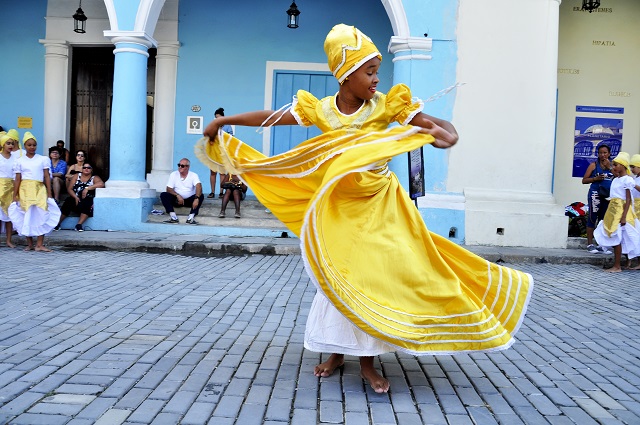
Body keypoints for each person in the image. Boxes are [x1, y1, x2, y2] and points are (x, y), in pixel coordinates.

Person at [196, 24, 533, 393]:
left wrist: (447, 133)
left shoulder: (388, 105)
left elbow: (431, 124)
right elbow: (271, 117)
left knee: (373, 276)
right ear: (346, 75)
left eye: (377, 71)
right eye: (369, 71)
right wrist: (223, 121)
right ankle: (336, 352)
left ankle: (369, 363)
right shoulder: (321, 110)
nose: (376, 79)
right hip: (338, 209)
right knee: (337, 277)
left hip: (380, 205)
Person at [8, 132, 60, 252]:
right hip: (25, 189)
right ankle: (30, 243)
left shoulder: (43, 159)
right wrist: (15, 194)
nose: (32, 147)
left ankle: (39, 244)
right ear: (25, 146)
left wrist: (49, 192)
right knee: (26, 215)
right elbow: (17, 179)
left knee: (41, 214)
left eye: (34, 145)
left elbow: (47, 176)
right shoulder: (20, 161)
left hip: (39, 189)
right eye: (29, 145)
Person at [594, 152, 640, 273]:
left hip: (621, 211)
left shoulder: (627, 180)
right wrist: (608, 165)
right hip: (613, 210)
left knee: (617, 237)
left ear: (623, 166)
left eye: (616, 165)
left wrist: (624, 216)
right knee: (615, 236)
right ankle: (619, 264)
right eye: (613, 165)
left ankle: (617, 266)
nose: (613, 167)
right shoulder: (616, 179)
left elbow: (628, 199)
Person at [582, 144, 614, 254]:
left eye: (605, 153)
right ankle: (590, 244)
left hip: (608, 196)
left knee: (603, 220)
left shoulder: (613, 165)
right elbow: (584, 180)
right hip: (595, 194)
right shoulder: (593, 165)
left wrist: (609, 167)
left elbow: (619, 177)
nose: (602, 155)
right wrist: (595, 178)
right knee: (592, 218)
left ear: (609, 154)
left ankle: (601, 244)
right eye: (600, 153)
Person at [55, 162, 104, 232]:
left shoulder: (94, 177)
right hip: (76, 198)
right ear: (82, 169)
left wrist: (87, 188)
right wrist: (75, 197)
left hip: (86, 199)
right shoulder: (77, 176)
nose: (86, 169)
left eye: (88, 168)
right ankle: (57, 224)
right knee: (68, 201)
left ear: (91, 169)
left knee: (88, 202)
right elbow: (69, 189)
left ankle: (79, 225)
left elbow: (101, 184)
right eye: (84, 167)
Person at [160, 158, 204, 224]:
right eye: (179, 165)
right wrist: (177, 195)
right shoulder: (173, 174)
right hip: (177, 200)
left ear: (188, 167)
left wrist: (196, 198)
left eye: (182, 166)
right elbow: (168, 188)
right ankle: (173, 217)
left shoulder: (193, 175)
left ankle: (191, 217)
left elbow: (199, 186)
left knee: (200, 196)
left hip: (189, 201)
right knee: (164, 195)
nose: (180, 167)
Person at [207, 107, 234, 198]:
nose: (217, 119)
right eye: (216, 118)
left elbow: (231, 138)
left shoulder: (227, 126)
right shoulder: (213, 125)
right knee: (213, 172)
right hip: (213, 152)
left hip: (222, 152)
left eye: (219, 117)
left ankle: (221, 192)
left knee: (222, 173)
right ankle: (212, 192)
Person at [0, 133, 17, 248]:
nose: (10, 145)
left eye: (12, 143)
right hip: (0, 186)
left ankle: (8, 240)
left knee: (9, 217)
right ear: (3, 144)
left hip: (11, 187)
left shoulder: (15, 159)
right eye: (8, 143)